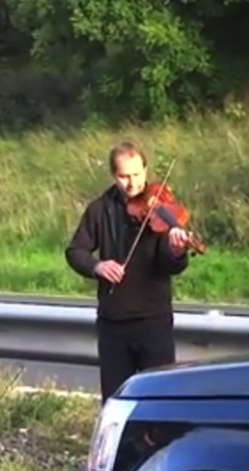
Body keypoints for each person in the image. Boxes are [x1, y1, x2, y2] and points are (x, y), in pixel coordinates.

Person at [64, 141, 191, 403]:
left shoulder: (163, 208)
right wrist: (97, 266)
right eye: (124, 176)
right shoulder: (99, 209)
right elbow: (75, 251)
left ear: (145, 170)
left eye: (137, 174)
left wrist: (177, 252)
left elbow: (171, 266)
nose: (132, 184)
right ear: (114, 176)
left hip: (153, 320)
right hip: (114, 323)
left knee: (160, 399)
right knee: (116, 400)